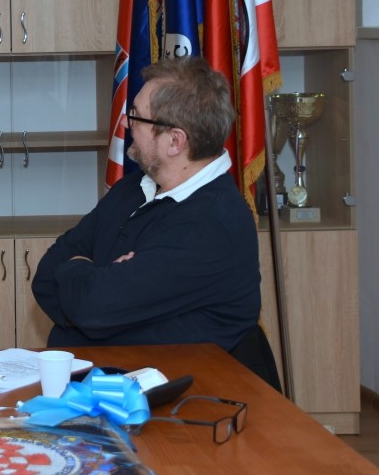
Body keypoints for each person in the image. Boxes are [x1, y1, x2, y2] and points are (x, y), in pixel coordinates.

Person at [31, 57, 281, 390]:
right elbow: (46, 276)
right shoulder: (134, 188)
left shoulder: (212, 224)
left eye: (136, 115)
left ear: (175, 141)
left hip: (195, 401)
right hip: (114, 389)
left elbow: (93, 310)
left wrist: (84, 275)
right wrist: (96, 281)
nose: (125, 122)